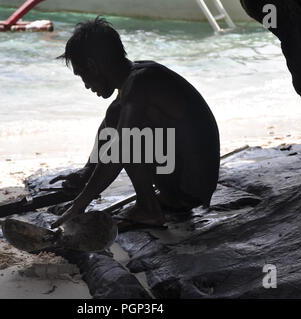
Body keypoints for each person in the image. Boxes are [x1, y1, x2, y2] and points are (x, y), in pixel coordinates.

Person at [50, 17, 220, 229]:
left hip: (190, 190)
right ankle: (156, 201)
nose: (85, 85)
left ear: (93, 66)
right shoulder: (137, 76)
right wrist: (88, 170)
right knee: (116, 113)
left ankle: (149, 209)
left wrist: (80, 203)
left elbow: (122, 148)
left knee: (130, 137)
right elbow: (111, 124)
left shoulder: (141, 83)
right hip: (184, 182)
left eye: (82, 75)